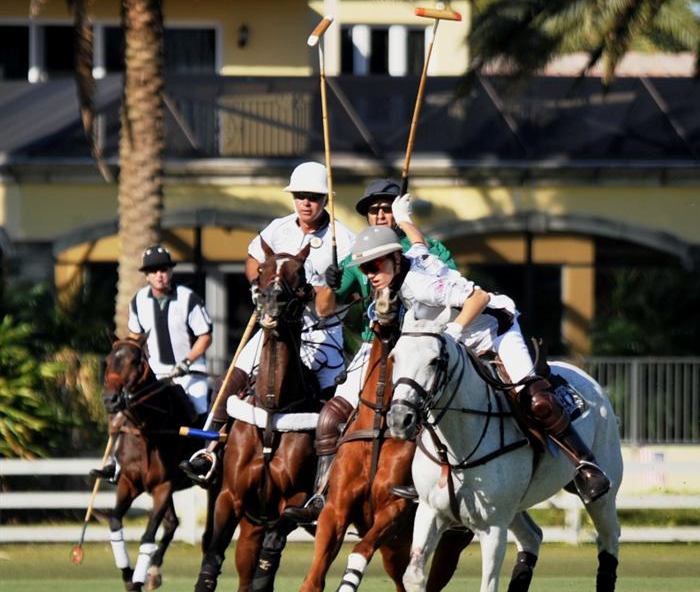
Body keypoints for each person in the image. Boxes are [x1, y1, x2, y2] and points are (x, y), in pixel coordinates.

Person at [332, 193, 611, 504]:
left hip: (495, 331)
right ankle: (423, 474)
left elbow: (479, 298)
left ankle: (586, 465)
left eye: (375, 265)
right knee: (426, 395)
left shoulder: (419, 285)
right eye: (365, 268)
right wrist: (405, 219)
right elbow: (420, 245)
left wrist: (453, 331)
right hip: (461, 337)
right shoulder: (409, 264)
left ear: (396, 259)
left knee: (535, 399)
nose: (370, 274)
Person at [283, 178, 457, 522]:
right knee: (330, 417)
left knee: (439, 415)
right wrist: (328, 284)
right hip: (374, 345)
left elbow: (450, 286)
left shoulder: (429, 249)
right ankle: (321, 493)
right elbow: (325, 308)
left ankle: (444, 488)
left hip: (421, 347)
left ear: (398, 212)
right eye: (374, 210)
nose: (380, 215)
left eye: (387, 209)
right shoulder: (357, 256)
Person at [181, 161, 355, 484]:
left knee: (333, 401)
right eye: (300, 196)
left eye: (314, 197)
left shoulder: (343, 240)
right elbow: (253, 260)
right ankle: (209, 452)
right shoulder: (279, 227)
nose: (306, 203)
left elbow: (346, 295)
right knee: (230, 380)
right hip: (274, 328)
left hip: (322, 334)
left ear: (325, 200)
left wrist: (330, 286)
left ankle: (329, 475)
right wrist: (256, 286)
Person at [93, 244, 213, 483]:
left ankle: (204, 459)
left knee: (200, 410)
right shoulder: (138, 301)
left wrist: (187, 361)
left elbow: (205, 335)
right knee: (125, 411)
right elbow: (135, 339)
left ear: (170, 272)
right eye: (154, 270)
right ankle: (116, 463)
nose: (159, 275)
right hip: (155, 376)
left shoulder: (188, 298)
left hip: (190, 374)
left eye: (164, 269)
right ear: (146, 275)